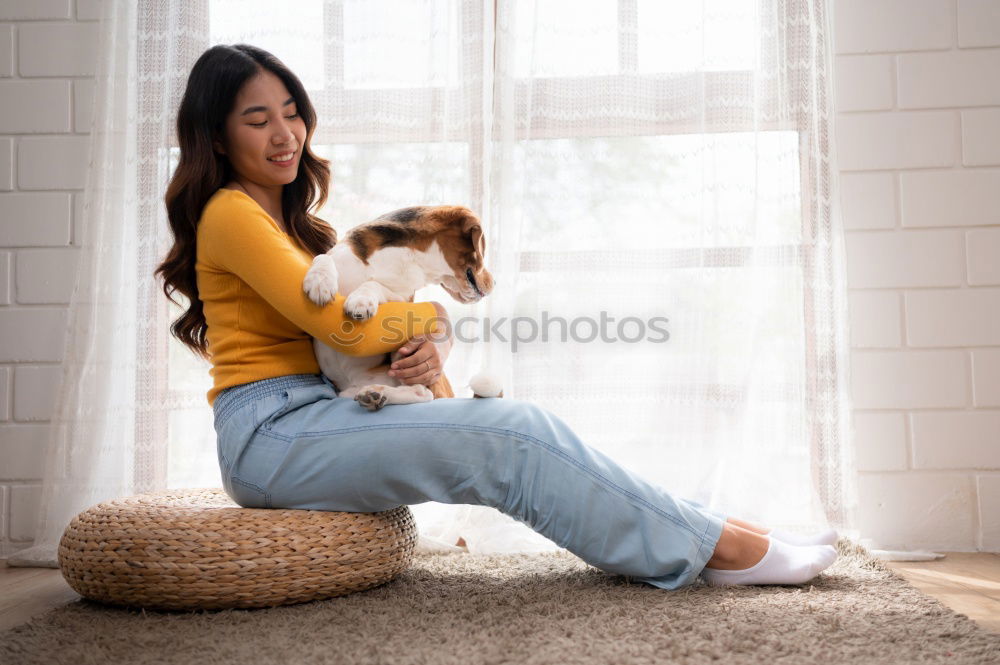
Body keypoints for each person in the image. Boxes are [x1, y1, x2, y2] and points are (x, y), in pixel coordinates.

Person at [154, 43, 839, 591]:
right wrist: (427, 315)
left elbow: (360, 332)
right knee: (511, 434)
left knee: (521, 426)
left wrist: (429, 343)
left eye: (292, 111)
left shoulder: (299, 230)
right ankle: (716, 546)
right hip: (270, 434)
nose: (286, 133)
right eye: (257, 119)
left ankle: (709, 529)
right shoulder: (231, 213)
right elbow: (345, 329)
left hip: (326, 408)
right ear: (215, 137)